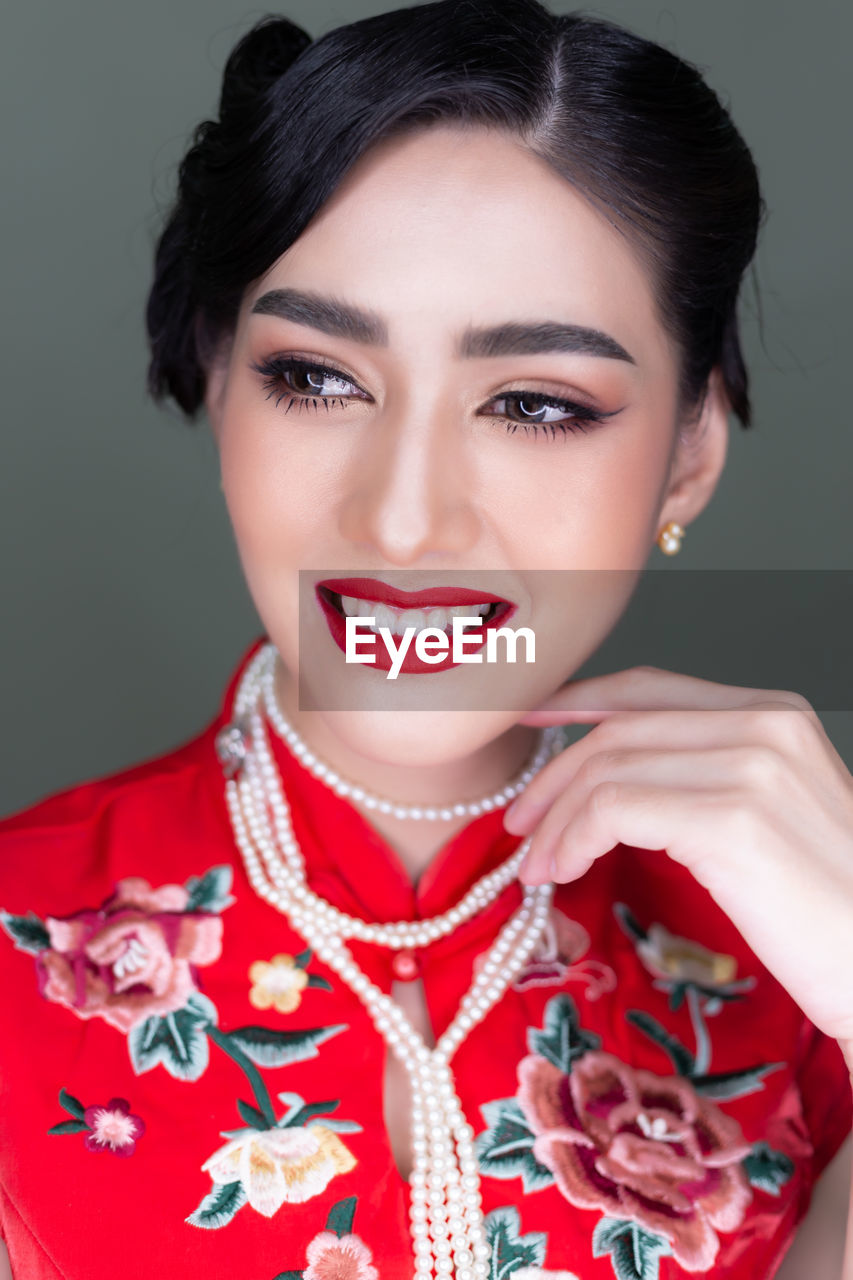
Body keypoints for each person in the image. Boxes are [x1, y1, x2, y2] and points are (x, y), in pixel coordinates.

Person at [0, 1, 851, 1276]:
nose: (404, 521)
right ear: (218, 380)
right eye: (319, 378)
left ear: (687, 457)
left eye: (534, 403)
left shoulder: (807, 972)